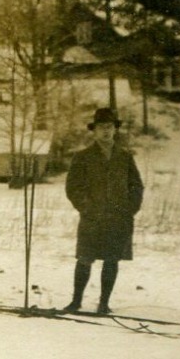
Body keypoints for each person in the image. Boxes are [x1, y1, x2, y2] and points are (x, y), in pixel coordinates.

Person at [63, 107, 144, 315]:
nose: (106, 132)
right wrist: (87, 208)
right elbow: (73, 187)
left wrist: (129, 210)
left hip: (119, 219)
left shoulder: (125, 157)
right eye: (101, 128)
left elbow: (136, 186)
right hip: (92, 218)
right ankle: (76, 302)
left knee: (111, 259)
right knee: (85, 258)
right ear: (94, 131)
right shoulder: (82, 157)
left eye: (109, 127)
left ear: (115, 130)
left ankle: (103, 304)